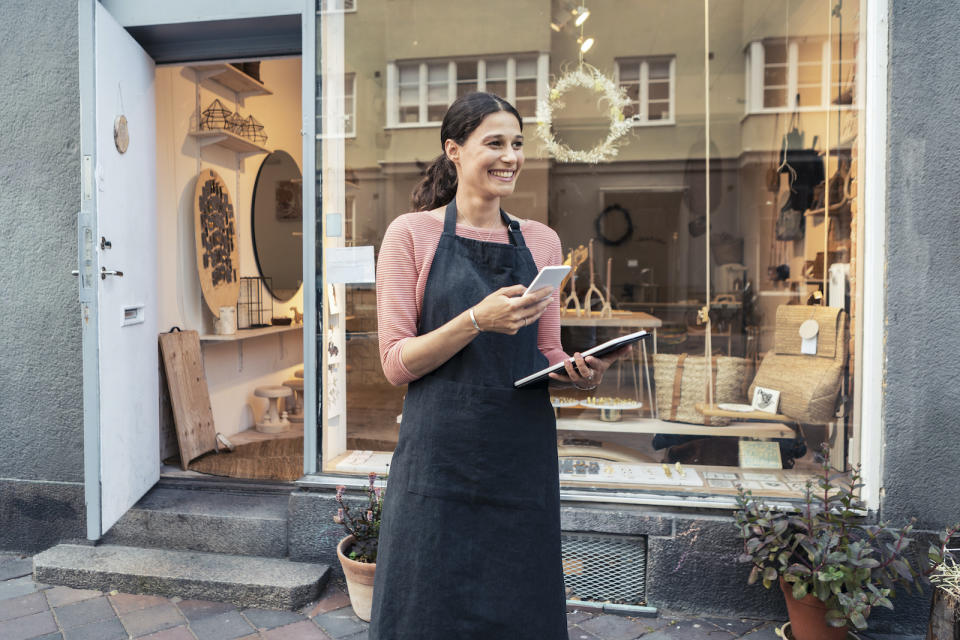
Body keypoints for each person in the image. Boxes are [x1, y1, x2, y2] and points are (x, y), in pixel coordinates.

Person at [370, 92, 629, 639]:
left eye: (517, 143)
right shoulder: (410, 234)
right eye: (494, 143)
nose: (510, 156)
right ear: (454, 151)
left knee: (519, 601)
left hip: (519, 454)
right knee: (425, 602)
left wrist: (579, 374)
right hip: (438, 454)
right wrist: (476, 320)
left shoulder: (541, 240)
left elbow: (547, 352)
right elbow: (396, 364)